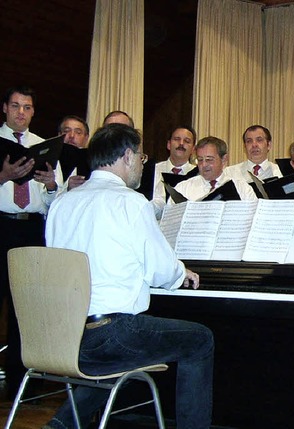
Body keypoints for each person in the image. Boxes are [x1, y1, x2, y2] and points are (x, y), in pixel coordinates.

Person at [44, 123, 214, 429]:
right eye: (141, 156)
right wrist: (181, 272)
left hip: (64, 333)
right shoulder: (132, 202)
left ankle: (62, 424)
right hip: (110, 333)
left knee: (118, 354)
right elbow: (161, 271)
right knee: (200, 339)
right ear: (126, 156)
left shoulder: (61, 203)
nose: (141, 164)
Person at [0, 85, 61, 397]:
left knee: (27, 308)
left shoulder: (44, 145)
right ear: (5, 108)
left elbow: (55, 201)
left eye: (26, 107)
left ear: (33, 112)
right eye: (15, 106)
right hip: (1, 225)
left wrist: (52, 186)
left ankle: (23, 384)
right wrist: (3, 176)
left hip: (32, 229)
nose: (20, 112)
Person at [171, 136, 257, 202]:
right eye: (200, 160)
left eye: (209, 159)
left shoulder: (242, 188)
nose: (204, 165)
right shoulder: (183, 189)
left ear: (224, 159)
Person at [151, 126, 197, 218]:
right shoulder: (152, 170)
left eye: (187, 141)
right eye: (177, 139)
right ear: (168, 144)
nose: (181, 143)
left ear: (193, 149)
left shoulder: (198, 174)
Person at [58, 115, 91, 190]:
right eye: (66, 131)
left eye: (78, 132)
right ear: (59, 135)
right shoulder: (50, 159)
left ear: (86, 138)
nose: (72, 136)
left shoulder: (94, 162)